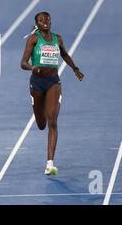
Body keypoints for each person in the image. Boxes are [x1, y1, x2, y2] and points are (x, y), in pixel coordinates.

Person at [20, 11, 83, 175]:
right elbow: (23, 63)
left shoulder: (58, 38)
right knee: (41, 124)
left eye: (47, 19)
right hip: (37, 83)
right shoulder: (33, 39)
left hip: (53, 82)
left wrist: (75, 69)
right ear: (37, 24)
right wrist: (33, 67)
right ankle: (39, 108)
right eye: (41, 20)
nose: (45, 22)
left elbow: (64, 54)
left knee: (53, 122)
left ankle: (50, 163)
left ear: (50, 21)